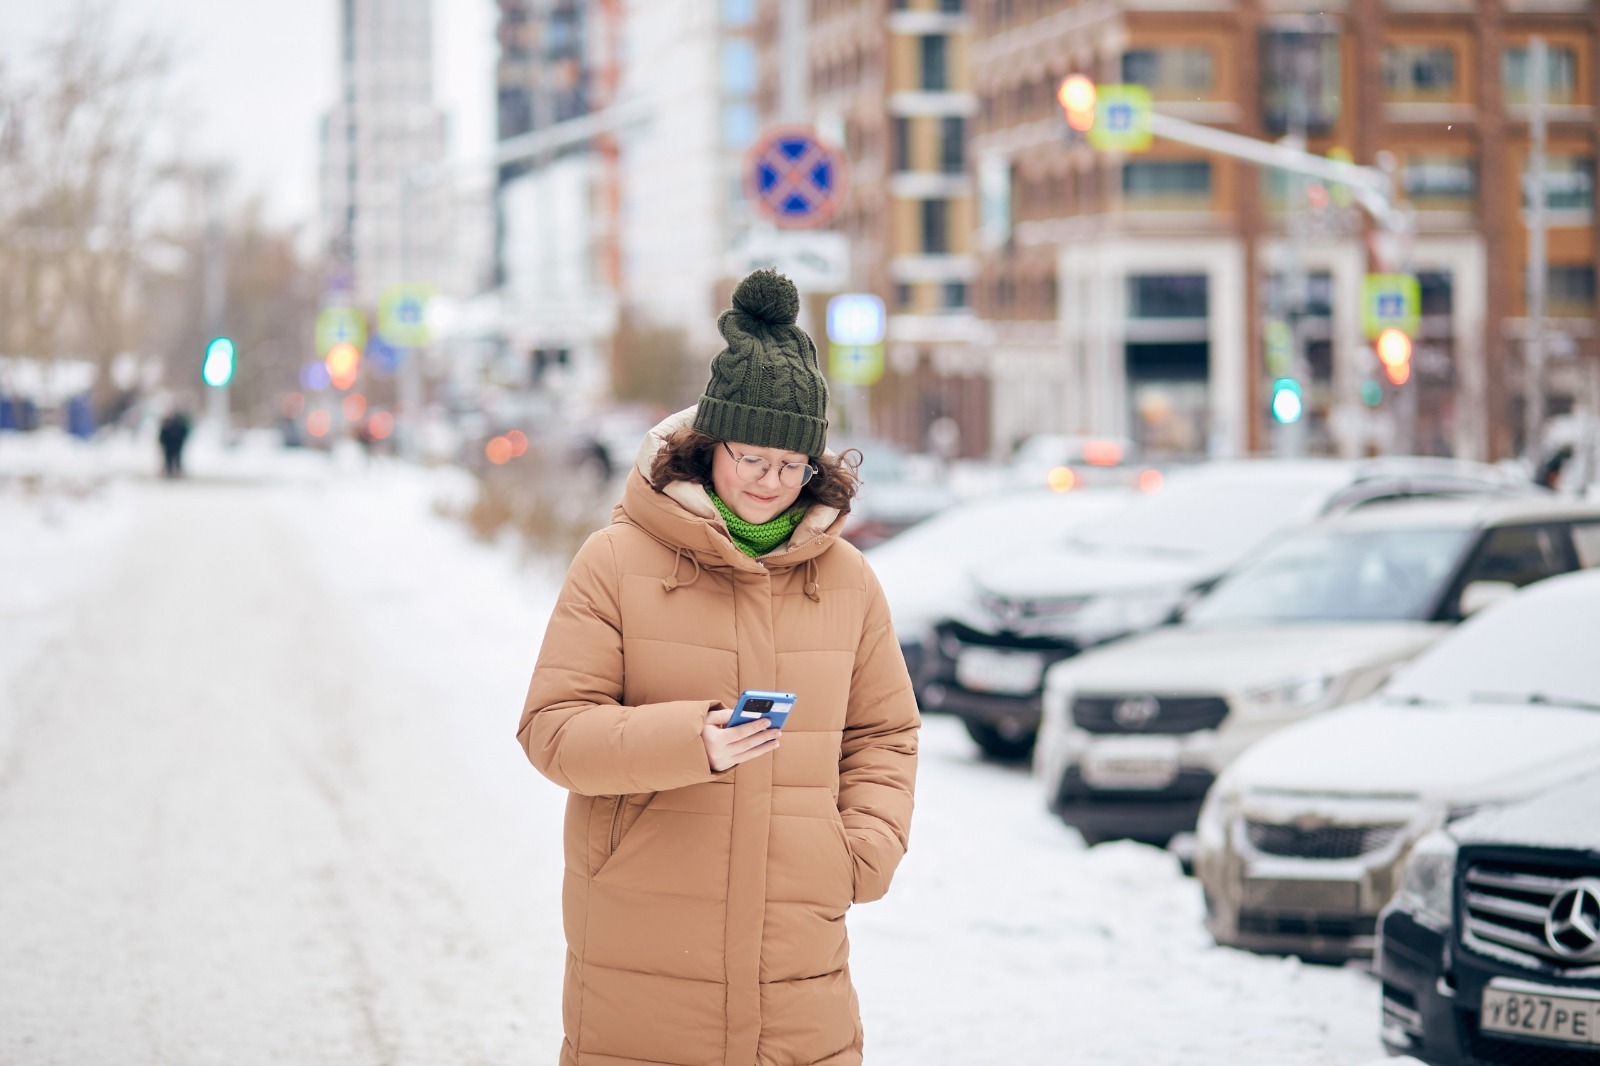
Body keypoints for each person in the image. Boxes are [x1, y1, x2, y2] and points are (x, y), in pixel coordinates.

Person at [517, 270, 919, 1066]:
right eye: (752, 459)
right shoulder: (616, 562)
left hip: (796, 946)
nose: (772, 484)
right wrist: (690, 740)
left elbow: (885, 732)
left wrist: (860, 851)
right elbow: (552, 731)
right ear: (710, 448)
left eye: (793, 465)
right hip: (644, 931)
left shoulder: (847, 580)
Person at [158, 408, 192, 478]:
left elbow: (183, 433)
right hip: (168, 445)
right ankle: (169, 473)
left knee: (178, 459)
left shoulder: (179, 423)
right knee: (168, 460)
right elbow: (162, 434)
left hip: (176, 445)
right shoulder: (166, 423)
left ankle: (177, 473)